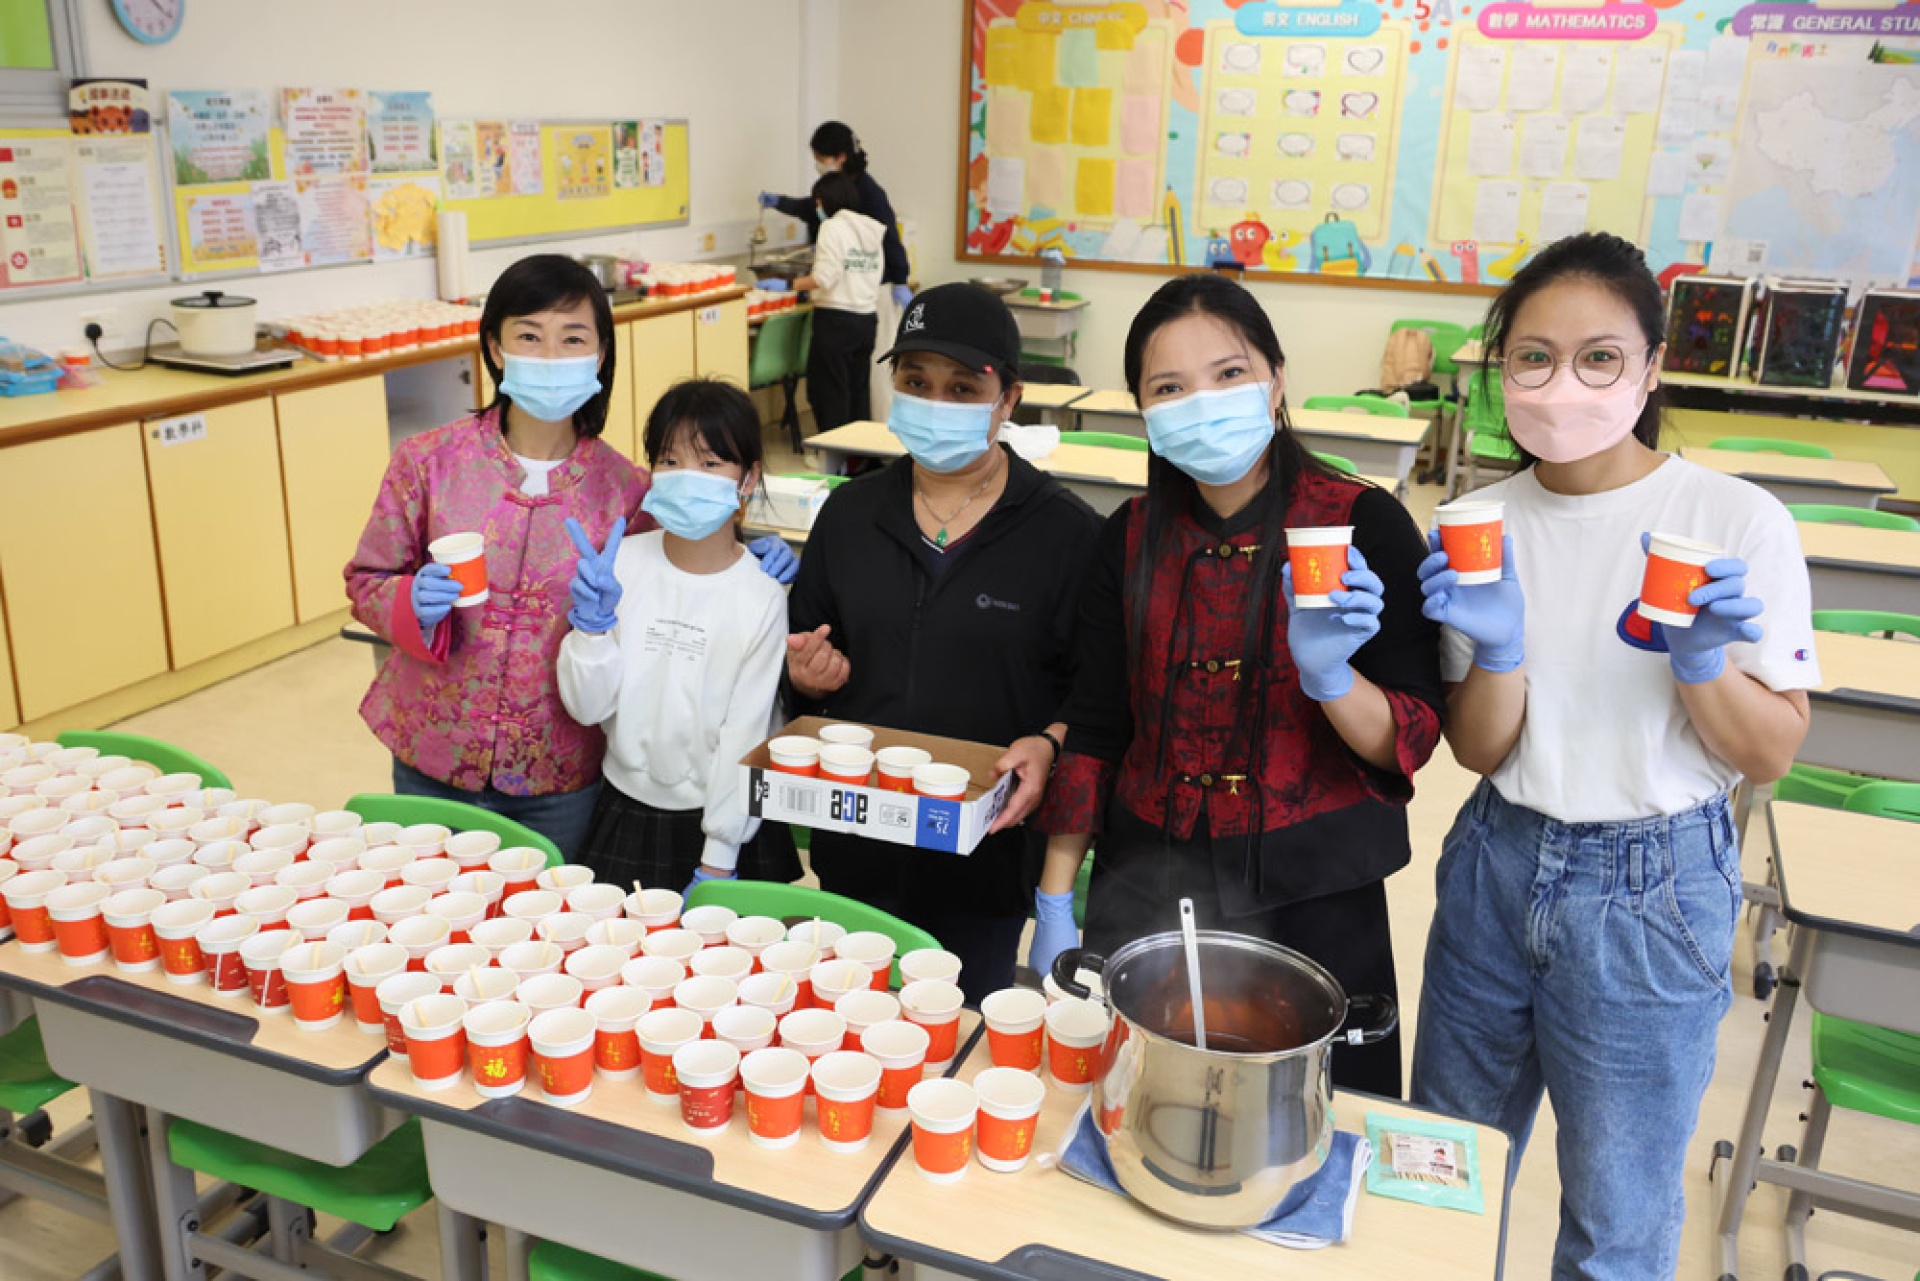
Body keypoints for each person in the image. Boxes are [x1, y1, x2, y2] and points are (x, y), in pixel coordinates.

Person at [1408, 232, 1818, 1278]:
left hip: (1653, 888)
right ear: (1500, 370)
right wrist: (1500, 652)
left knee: (1616, 1223)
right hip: (1497, 861)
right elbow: (1477, 749)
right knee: (1439, 1180)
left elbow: (1771, 751)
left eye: (1599, 357)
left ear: (1650, 366)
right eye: (1534, 357)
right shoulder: (1473, 522)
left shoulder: (1733, 520)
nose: (1564, 383)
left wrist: (1701, 663)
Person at [1028, 274, 1442, 1098]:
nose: (1202, 403)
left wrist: (1330, 678)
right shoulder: (1129, 536)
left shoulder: (1360, 523)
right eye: (1169, 387)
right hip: (1147, 886)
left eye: (1228, 374)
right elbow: (1097, 725)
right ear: (1144, 409)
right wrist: (1053, 901)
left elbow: (1412, 734)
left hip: (1316, 895)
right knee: (1133, 1107)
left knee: (1311, 1118)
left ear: (1276, 379)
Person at [345, 254, 794, 857]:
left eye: (573, 338)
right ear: (495, 348)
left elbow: (692, 551)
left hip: (557, 771)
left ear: (600, 354)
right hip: (433, 752)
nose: (551, 356)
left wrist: (757, 548)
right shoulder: (428, 463)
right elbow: (368, 577)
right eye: (529, 336)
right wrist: (408, 602)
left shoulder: (628, 491)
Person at [784, 283, 1102, 1002]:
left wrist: (1050, 741)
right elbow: (805, 654)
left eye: (963, 387)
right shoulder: (850, 514)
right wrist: (808, 675)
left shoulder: (1066, 534)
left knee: (954, 1036)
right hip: (859, 841)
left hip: (983, 860)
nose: (936, 402)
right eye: (916, 382)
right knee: (848, 1019)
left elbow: (1096, 695)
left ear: (1008, 399)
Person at [557, 379, 801, 896]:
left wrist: (718, 860)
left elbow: (746, 736)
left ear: (748, 479)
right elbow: (587, 708)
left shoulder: (761, 594)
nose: (688, 477)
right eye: (669, 461)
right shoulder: (621, 564)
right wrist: (591, 632)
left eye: (710, 463)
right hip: (625, 807)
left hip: (723, 825)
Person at [758, 121, 911, 309]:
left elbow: (890, 238)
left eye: (822, 159)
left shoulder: (869, 193)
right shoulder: (837, 186)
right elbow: (810, 207)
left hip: (872, 288)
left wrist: (900, 281)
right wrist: (780, 202)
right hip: (847, 290)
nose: (818, 165)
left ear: (841, 157)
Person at [782, 171, 886, 433]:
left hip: (836, 321)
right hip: (866, 319)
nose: (817, 208)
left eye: (817, 202)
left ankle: (834, 451)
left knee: (828, 393)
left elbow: (824, 277)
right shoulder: (871, 229)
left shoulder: (832, 227)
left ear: (825, 200)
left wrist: (788, 286)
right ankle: (859, 451)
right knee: (857, 391)